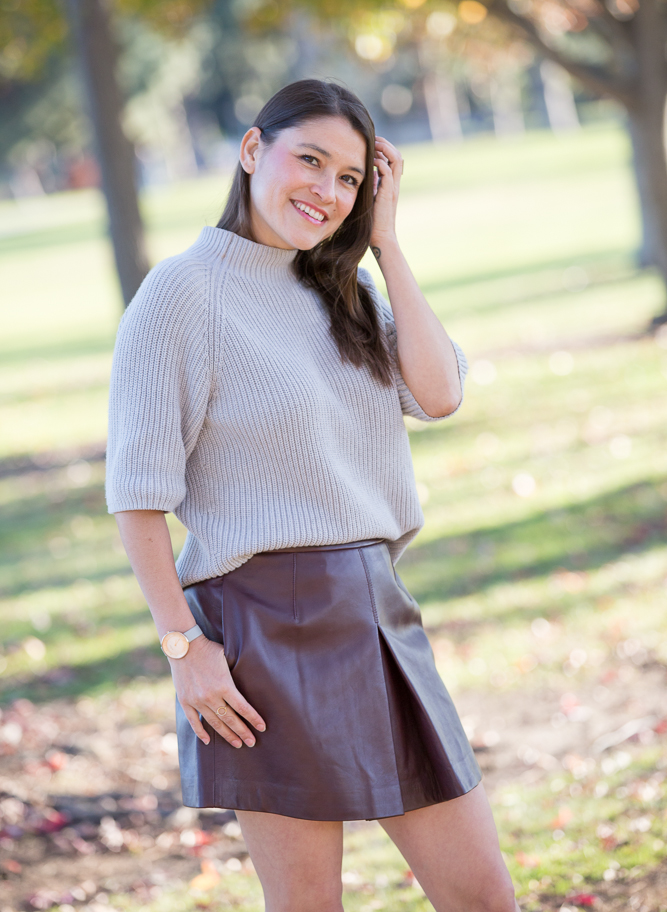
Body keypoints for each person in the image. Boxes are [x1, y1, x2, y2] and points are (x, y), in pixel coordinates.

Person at [106, 79, 518, 912]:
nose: (325, 192)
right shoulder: (181, 293)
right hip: (261, 629)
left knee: (482, 898)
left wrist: (386, 245)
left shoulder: (349, 293)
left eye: (349, 179)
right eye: (310, 161)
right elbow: (137, 497)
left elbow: (439, 395)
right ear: (253, 150)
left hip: (376, 614)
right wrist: (185, 651)